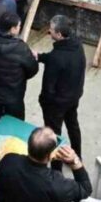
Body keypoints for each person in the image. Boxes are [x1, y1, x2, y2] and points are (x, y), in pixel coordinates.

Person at [0, 127, 92, 202]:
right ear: (51, 155)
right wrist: (75, 161)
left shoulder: (9, 160)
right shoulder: (57, 184)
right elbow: (85, 188)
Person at [37, 15, 86, 170]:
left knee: (54, 134)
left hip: (56, 103)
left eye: (51, 30)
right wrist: (39, 56)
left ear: (58, 34)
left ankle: (56, 168)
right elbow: (55, 59)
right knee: (73, 125)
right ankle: (77, 155)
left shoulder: (57, 57)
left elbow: (48, 87)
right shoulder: (77, 46)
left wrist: (44, 101)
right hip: (73, 96)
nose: (49, 32)